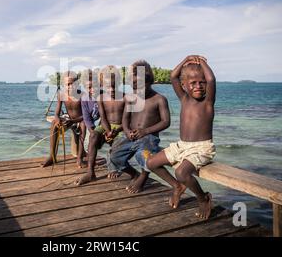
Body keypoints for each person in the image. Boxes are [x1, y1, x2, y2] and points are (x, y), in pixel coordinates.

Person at [146, 55, 216, 220]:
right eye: (193, 83)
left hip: (201, 148)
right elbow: (173, 76)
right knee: (151, 163)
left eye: (202, 82)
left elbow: (211, 79)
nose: (198, 86)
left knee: (181, 172)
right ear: (184, 85)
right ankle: (177, 187)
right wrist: (187, 60)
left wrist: (201, 62)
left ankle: (203, 198)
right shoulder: (184, 99)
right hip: (182, 146)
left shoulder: (208, 102)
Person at [109, 60, 171, 193]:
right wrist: (126, 131)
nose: (138, 90)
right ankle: (134, 174)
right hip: (131, 135)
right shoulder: (131, 98)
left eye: (141, 86)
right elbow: (125, 119)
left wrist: (146, 131)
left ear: (150, 81)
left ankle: (143, 177)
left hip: (149, 136)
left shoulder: (159, 99)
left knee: (144, 155)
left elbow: (166, 122)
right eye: (134, 86)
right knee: (114, 156)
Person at [75, 65, 125, 185]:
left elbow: (128, 120)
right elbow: (103, 117)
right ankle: (90, 172)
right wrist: (107, 131)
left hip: (121, 127)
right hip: (105, 125)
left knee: (118, 141)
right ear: (103, 85)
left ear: (119, 83)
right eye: (108, 86)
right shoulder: (101, 97)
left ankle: (114, 167)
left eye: (114, 86)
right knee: (93, 136)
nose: (111, 89)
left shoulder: (125, 97)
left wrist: (116, 131)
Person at [41, 70, 87, 168]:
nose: (70, 86)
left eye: (73, 83)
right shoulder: (61, 94)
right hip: (69, 118)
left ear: (77, 83)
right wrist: (58, 119)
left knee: (83, 124)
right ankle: (52, 156)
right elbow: (57, 113)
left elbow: (86, 115)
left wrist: (74, 121)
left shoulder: (82, 95)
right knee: (54, 123)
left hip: (79, 119)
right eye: (67, 84)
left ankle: (79, 158)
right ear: (63, 84)